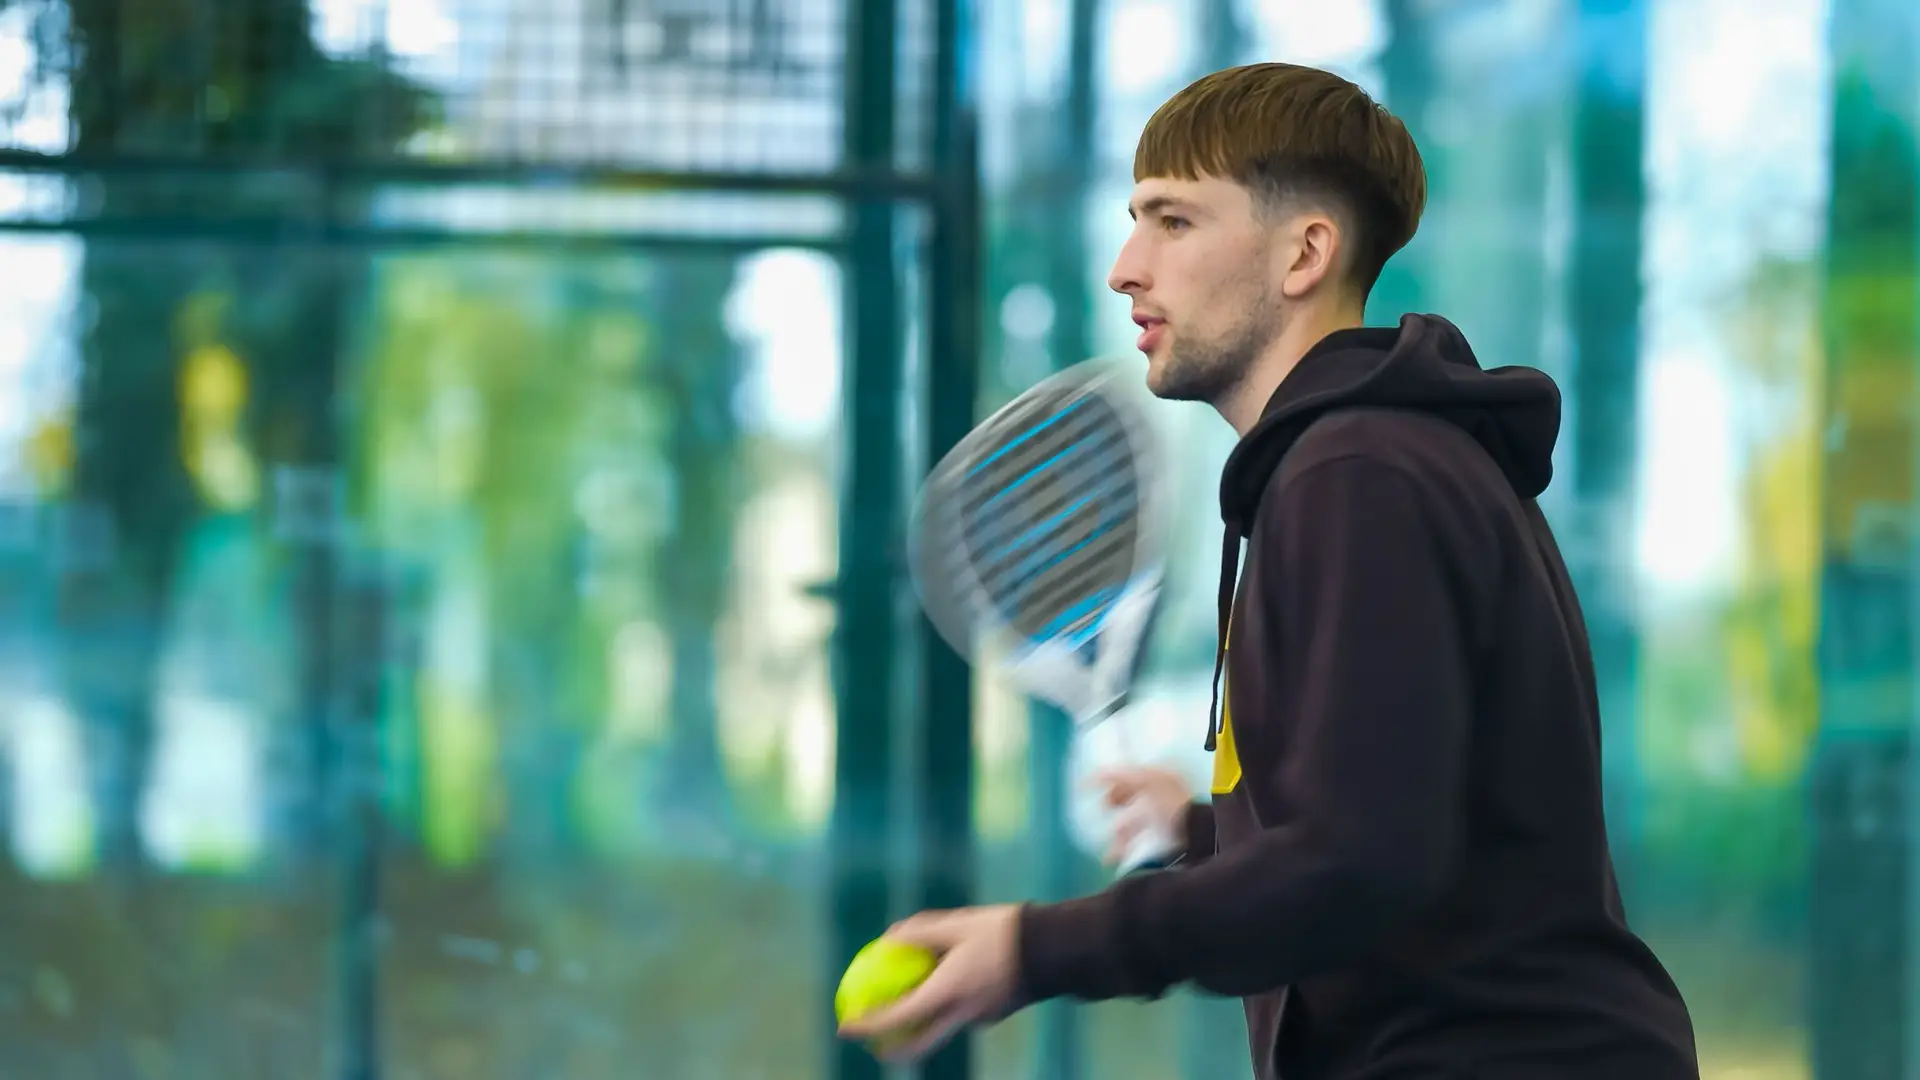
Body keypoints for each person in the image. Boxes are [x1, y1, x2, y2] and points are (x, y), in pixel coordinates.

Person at [836, 62, 1701, 1079]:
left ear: (1305, 253)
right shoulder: (1367, 463)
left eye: (1174, 221)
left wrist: (1033, 950)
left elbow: (1356, 862)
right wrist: (1206, 833)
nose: (1125, 267)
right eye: (1133, 220)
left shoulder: (1359, 475)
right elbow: (1407, 822)